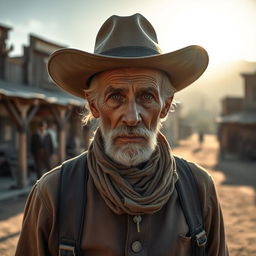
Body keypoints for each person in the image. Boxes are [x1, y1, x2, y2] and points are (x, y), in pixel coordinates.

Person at [15, 14, 229, 255]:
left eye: (146, 97)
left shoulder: (198, 189)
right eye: (115, 97)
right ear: (93, 106)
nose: (131, 117)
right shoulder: (52, 194)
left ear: (166, 106)